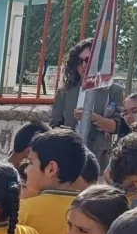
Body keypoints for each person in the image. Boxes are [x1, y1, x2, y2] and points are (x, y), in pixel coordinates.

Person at [49, 38, 125, 170]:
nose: (84, 65)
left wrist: (93, 117)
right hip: (68, 155)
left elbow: (117, 127)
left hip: (99, 158)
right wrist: (63, 132)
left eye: (88, 60)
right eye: (79, 61)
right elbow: (54, 123)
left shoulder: (113, 90)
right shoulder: (65, 91)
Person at [22, 129, 88, 234]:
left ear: (51, 169)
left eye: (30, 163)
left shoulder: (24, 210)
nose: (26, 170)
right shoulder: (90, 210)